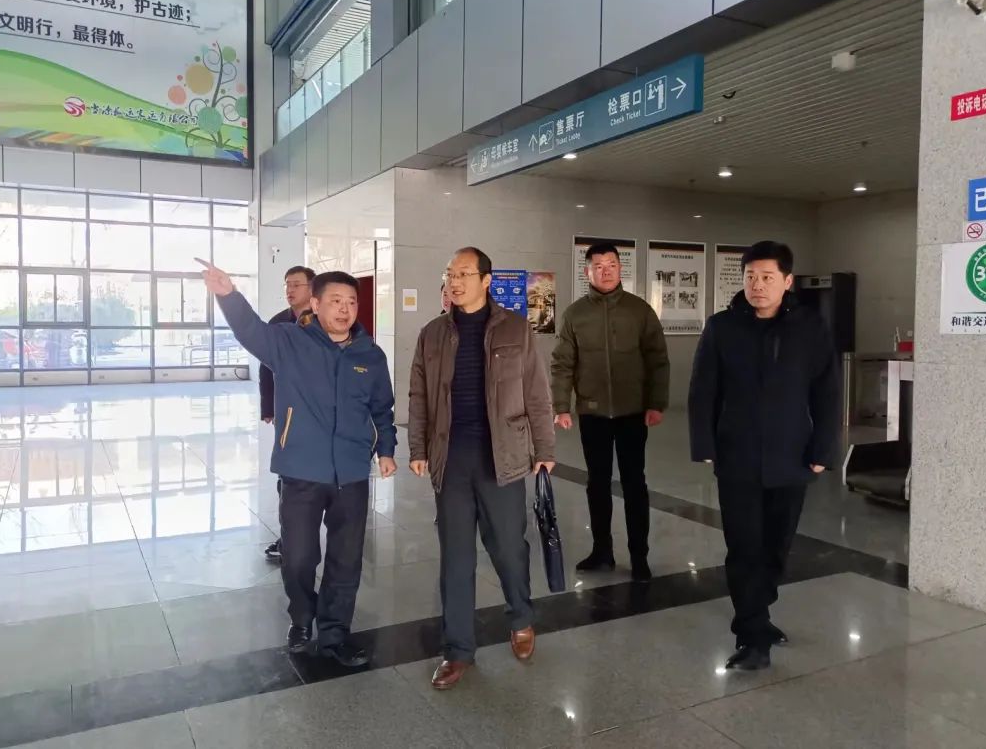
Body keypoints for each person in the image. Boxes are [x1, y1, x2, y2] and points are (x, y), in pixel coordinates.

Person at [200, 259, 398, 668]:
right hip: (301, 471)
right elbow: (250, 331)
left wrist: (386, 450)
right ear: (316, 304)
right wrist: (228, 295)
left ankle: (335, 633)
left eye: (351, 302)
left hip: (351, 474)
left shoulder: (370, 354)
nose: (345, 309)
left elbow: (382, 408)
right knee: (299, 557)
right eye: (335, 301)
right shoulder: (289, 341)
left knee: (346, 560)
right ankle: (302, 618)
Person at [687, 241, 839, 671]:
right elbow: (703, 391)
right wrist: (705, 445)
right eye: (750, 276)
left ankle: (760, 612)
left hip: (792, 456)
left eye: (767, 277)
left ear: (787, 281)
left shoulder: (810, 327)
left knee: (776, 548)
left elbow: (827, 391)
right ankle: (752, 634)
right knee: (744, 548)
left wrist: (822, 449)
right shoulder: (722, 327)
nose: (757, 285)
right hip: (737, 455)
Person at [409, 247, 555, 690]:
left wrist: (545, 447)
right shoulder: (432, 333)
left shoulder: (515, 328)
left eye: (464, 274)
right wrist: (417, 447)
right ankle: (457, 651)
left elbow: (536, 391)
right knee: (455, 557)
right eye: (450, 274)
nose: (454, 281)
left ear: (486, 281)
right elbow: (419, 395)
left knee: (509, 548)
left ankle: (521, 617)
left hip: (501, 455)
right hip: (450, 458)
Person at [551, 243, 670, 582]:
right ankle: (602, 551)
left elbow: (657, 360)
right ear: (587, 271)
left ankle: (639, 556)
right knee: (597, 483)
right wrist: (561, 406)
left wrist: (656, 403)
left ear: (620, 268)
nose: (606, 271)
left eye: (612, 265)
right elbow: (562, 363)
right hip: (593, 413)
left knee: (635, 484)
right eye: (599, 266)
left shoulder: (639, 310)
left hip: (633, 412)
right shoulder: (575, 314)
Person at [261, 266, 316, 563]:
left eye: (296, 284)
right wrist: (268, 406)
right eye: (287, 285)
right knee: (288, 476)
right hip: (288, 412)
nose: (290, 290)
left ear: (312, 288)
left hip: (320, 412)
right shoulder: (278, 323)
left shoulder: (324, 321)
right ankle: (289, 538)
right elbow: (265, 367)